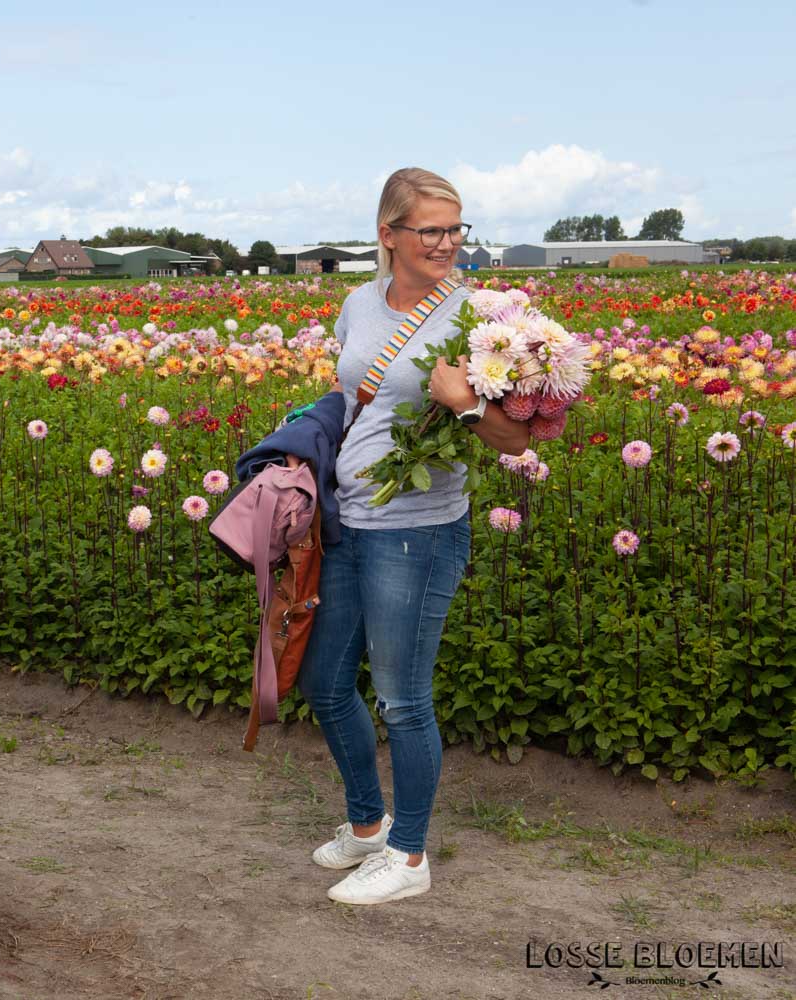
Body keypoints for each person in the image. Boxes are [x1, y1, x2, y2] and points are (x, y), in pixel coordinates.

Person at [298, 168, 529, 904]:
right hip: (347, 517)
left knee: (403, 699)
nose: (447, 243)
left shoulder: (477, 317)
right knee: (326, 682)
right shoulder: (358, 304)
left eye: (455, 228)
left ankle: (408, 857)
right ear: (388, 234)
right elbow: (347, 392)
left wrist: (463, 405)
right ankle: (368, 826)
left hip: (418, 531)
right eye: (430, 229)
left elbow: (512, 438)